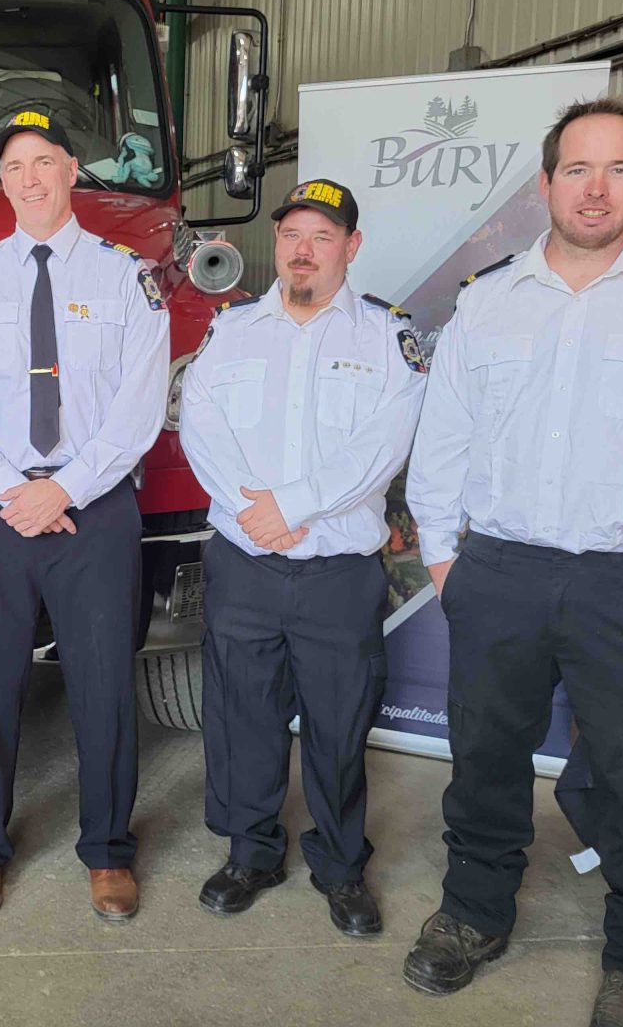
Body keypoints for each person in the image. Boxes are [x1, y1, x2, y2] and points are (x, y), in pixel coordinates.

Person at [404, 97, 623, 1027]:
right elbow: (444, 441)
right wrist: (444, 559)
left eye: (619, 170)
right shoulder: (488, 300)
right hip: (501, 572)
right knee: (484, 759)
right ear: (547, 182)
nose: (596, 190)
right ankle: (473, 914)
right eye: (578, 169)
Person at [0, 110, 170, 922]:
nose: (28, 179)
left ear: (72, 170)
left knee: (103, 684)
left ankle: (107, 854)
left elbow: (140, 405)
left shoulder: (125, 276)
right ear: (2, 183)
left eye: (43, 162)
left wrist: (64, 488)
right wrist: (13, 488)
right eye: (13, 168)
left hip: (93, 507)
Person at [179, 178, 427, 937]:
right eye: (292, 236)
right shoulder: (233, 330)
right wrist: (260, 519)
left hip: (337, 572)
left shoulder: (388, 338)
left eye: (322, 236)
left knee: (337, 725)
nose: (303, 250)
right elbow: (201, 424)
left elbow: (382, 448)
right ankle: (251, 852)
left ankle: (341, 865)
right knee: (241, 717)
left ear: (350, 248)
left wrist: (289, 507)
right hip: (246, 563)